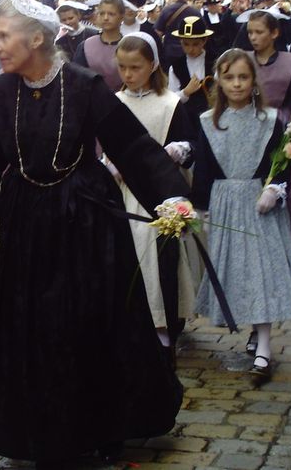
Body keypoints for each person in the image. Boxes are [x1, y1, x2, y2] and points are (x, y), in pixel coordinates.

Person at [0, 0, 187, 464]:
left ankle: (100, 427)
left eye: (4, 36)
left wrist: (168, 196)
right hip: (27, 224)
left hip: (86, 221)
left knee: (88, 322)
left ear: (36, 38)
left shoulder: (85, 85)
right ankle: (39, 430)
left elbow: (131, 147)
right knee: (34, 326)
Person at [192, 49, 291, 382]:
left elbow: (280, 163)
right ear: (219, 82)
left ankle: (264, 349)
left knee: (261, 273)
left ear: (254, 80)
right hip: (227, 202)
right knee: (238, 272)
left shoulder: (270, 120)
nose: (237, 84)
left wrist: (275, 189)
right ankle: (255, 330)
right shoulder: (208, 123)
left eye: (243, 77)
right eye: (229, 78)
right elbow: (205, 169)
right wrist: (199, 208)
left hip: (259, 203)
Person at [108, 32, 199, 359]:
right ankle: (130, 324)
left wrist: (178, 150)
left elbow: (191, 145)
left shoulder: (169, 103)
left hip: (157, 195)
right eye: (122, 68)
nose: (128, 75)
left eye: (135, 67)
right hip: (120, 193)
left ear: (152, 66)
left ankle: (163, 326)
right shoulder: (114, 103)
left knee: (156, 255)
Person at [246, 11, 291, 249]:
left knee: (284, 180)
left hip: (281, 125)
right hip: (251, 126)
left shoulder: (290, 63)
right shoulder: (244, 60)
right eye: (250, 32)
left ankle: (290, 234)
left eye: (259, 32)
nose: (254, 38)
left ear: (274, 33)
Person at [73, 0, 126, 91]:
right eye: (102, 13)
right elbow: (77, 79)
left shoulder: (129, 45)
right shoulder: (86, 46)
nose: (106, 18)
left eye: (111, 14)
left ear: (121, 17)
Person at [168, 15, 216, 119]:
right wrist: (185, 92)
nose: (190, 49)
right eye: (186, 44)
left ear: (204, 41)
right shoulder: (176, 67)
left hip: (212, 115)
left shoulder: (215, 61)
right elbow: (170, 99)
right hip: (187, 119)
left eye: (195, 44)